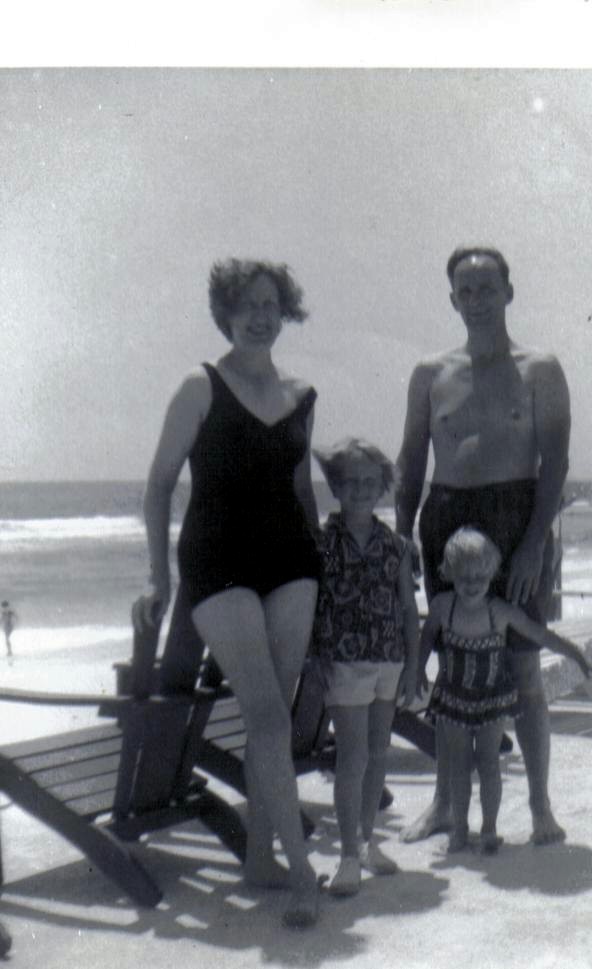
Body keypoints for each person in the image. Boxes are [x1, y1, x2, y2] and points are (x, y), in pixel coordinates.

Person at [132, 258, 323, 929]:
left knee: (276, 719)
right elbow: (158, 486)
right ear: (225, 313)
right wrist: (159, 576)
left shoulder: (302, 394)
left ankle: (261, 860)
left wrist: (324, 564)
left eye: (271, 304)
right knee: (266, 715)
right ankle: (303, 875)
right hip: (217, 562)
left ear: (284, 311)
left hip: (291, 560)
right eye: (246, 305)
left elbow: (301, 490)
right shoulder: (200, 385)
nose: (259, 316)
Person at [396, 245, 572, 845]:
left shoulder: (540, 369)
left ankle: (541, 808)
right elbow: (411, 461)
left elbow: (555, 464)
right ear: (452, 299)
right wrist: (402, 536)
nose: (476, 300)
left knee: (523, 667)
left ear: (508, 293)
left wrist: (533, 544)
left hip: (516, 516)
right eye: (465, 291)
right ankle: (445, 805)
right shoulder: (430, 373)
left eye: (487, 288)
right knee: (452, 673)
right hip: (446, 519)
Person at [402, 527, 592, 854]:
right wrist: (418, 668)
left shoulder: (499, 611)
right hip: (453, 699)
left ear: (492, 574)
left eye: (480, 576)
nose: (472, 584)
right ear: (449, 573)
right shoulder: (443, 607)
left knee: (489, 764)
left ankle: (489, 829)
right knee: (459, 767)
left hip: (491, 700)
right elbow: (427, 637)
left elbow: (540, 635)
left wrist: (577, 655)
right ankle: (459, 830)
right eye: (464, 577)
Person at [310, 438, 420, 897]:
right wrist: (311, 655)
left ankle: (367, 842)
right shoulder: (322, 542)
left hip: (388, 659)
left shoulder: (396, 546)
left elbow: (408, 609)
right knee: (352, 758)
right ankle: (348, 857)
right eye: (351, 481)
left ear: (383, 487)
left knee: (378, 755)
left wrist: (414, 666)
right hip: (343, 662)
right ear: (335, 486)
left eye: (370, 482)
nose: (360, 489)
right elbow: (310, 604)